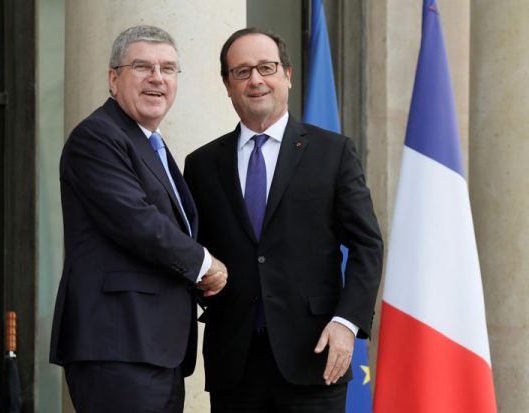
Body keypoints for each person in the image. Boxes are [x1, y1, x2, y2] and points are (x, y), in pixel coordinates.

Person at [184, 27, 383, 412]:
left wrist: (347, 322)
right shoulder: (202, 164)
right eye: (241, 72)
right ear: (227, 85)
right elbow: (194, 250)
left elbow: (367, 244)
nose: (255, 79)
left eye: (266, 67)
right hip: (234, 365)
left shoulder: (332, 152)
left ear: (287, 75)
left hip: (315, 356)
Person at [49, 25, 227, 413]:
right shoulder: (97, 137)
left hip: (153, 352)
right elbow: (138, 222)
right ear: (114, 79)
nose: (157, 78)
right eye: (142, 67)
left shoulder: (149, 143)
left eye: (168, 68)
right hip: (119, 348)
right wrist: (203, 265)